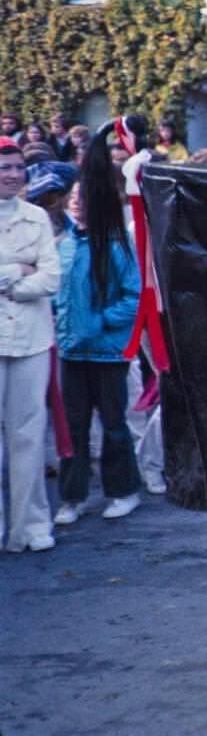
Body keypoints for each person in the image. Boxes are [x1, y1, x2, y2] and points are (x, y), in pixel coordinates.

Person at [53, 118, 147, 526]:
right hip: (72, 351)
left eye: (83, 197)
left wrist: (100, 321)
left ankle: (123, 490)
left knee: (112, 425)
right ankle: (71, 498)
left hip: (108, 352)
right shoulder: (62, 246)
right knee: (72, 429)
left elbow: (134, 295)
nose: (76, 202)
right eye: (72, 197)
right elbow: (56, 295)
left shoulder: (116, 246)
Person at [0, 138, 61, 552]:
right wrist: (16, 270)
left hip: (32, 338)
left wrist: (13, 284)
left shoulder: (37, 216)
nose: (12, 175)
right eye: (4, 168)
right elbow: (33, 276)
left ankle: (31, 527)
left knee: (29, 434)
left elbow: (51, 279)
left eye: (18, 168)